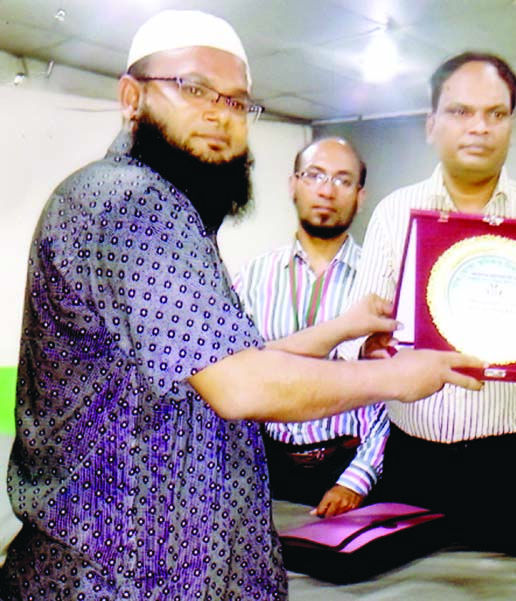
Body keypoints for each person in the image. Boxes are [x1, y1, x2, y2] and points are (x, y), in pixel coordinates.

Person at [0, 10, 483, 599]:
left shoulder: (161, 209)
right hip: (122, 577)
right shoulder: (133, 201)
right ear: (132, 97)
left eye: (236, 102)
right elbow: (243, 385)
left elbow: (223, 362)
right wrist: (394, 376)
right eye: (193, 88)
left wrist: (343, 329)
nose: (219, 114)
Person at [341, 51, 516, 562]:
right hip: (413, 461)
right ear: (431, 124)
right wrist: (371, 348)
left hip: (513, 464)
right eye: (460, 112)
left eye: (495, 114)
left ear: (511, 126)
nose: (479, 127)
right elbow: (357, 332)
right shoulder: (396, 213)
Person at [232, 137, 389, 518]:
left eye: (343, 180)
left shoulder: (382, 279)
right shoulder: (252, 278)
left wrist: (356, 479)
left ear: (360, 196)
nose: (326, 190)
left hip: (351, 468)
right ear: (293, 184)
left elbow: (391, 394)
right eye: (315, 175)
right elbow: (236, 375)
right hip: (267, 468)